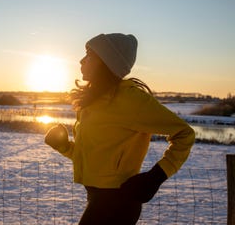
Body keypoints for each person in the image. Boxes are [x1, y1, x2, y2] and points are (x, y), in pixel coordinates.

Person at [44, 33, 195, 224]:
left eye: (89, 54)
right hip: (97, 200)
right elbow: (97, 157)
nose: (81, 60)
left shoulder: (131, 100)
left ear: (106, 62)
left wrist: (156, 176)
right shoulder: (94, 102)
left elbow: (185, 133)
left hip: (118, 203)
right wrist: (64, 146)